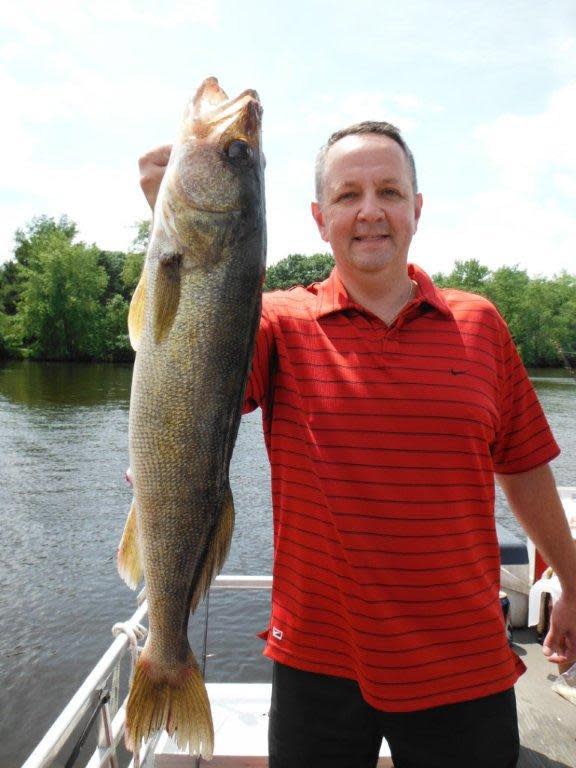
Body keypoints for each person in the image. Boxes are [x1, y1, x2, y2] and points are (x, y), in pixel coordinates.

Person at [137, 123, 576, 768]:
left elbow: (525, 469)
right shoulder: (274, 324)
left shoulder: (481, 324)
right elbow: (188, 370)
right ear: (320, 218)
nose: (369, 210)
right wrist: (170, 220)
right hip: (317, 664)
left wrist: (571, 579)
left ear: (417, 210)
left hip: (465, 665)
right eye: (347, 195)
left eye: (389, 191)